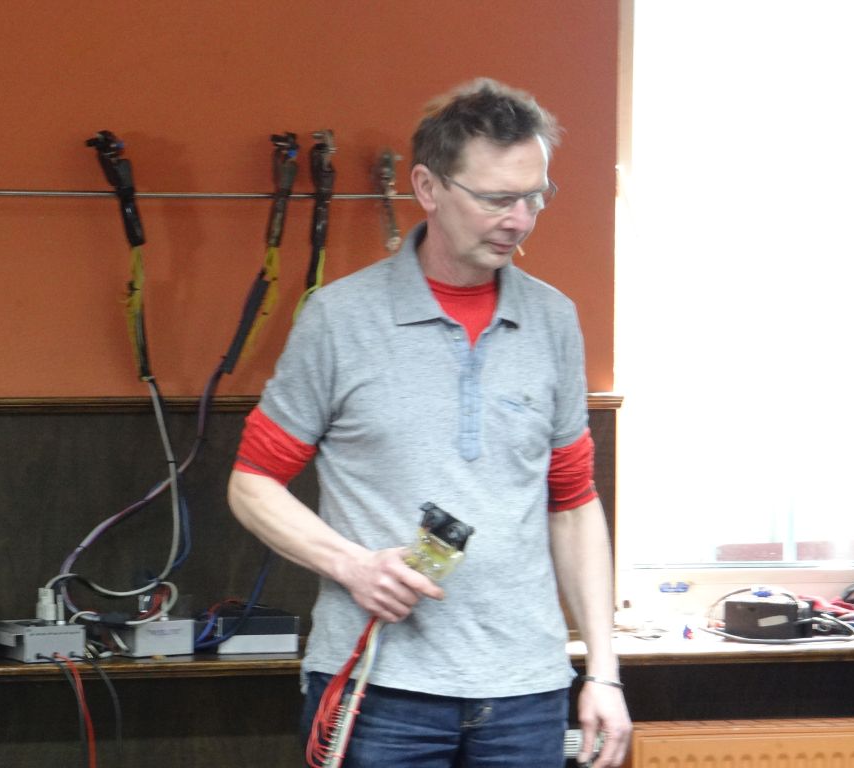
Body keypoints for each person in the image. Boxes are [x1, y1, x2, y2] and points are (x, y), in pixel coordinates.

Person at [228, 77, 631, 768]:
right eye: (496, 198)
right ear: (428, 186)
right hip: (377, 689)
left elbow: (573, 504)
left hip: (526, 691)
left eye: (535, 196)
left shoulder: (554, 320)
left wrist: (603, 671)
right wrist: (352, 566)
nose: (520, 219)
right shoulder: (339, 319)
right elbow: (251, 482)